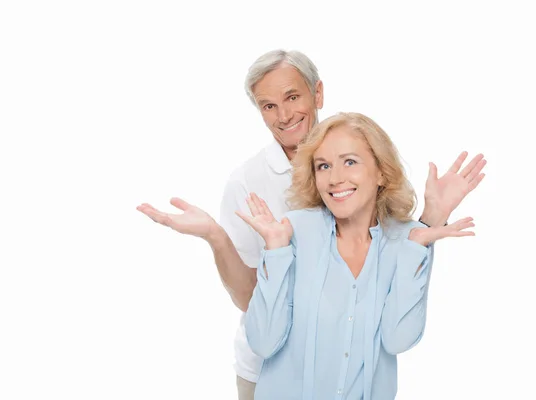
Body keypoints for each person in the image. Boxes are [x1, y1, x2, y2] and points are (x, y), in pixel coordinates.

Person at [136, 49, 487, 399]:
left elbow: (394, 296)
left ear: (317, 93)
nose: (284, 115)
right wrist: (222, 237)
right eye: (268, 105)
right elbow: (250, 300)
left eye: (292, 96)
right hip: (270, 371)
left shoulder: (359, 156)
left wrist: (430, 223)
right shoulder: (255, 189)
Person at [236, 112, 477, 399]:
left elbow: (398, 339)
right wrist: (275, 251)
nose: (335, 178)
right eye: (323, 166)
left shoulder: (407, 239)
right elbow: (262, 342)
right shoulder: (294, 230)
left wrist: (420, 243)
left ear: (381, 172)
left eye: (349, 162)